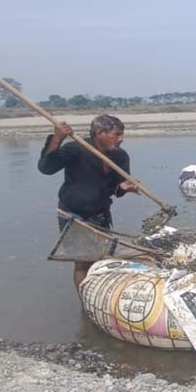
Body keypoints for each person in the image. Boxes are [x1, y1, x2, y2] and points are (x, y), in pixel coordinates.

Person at [38, 114, 139, 289]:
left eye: (122, 135)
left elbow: (115, 189)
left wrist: (124, 188)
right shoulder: (76, 149)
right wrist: (57, 138)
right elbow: (46, 168)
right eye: (117, 134)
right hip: (73, 214)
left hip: (100, 214)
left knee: (102, 259)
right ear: (100, 133)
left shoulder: (121, 156)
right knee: (83, 262)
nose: (121, 139)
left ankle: (98, 294)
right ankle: (85, 304)